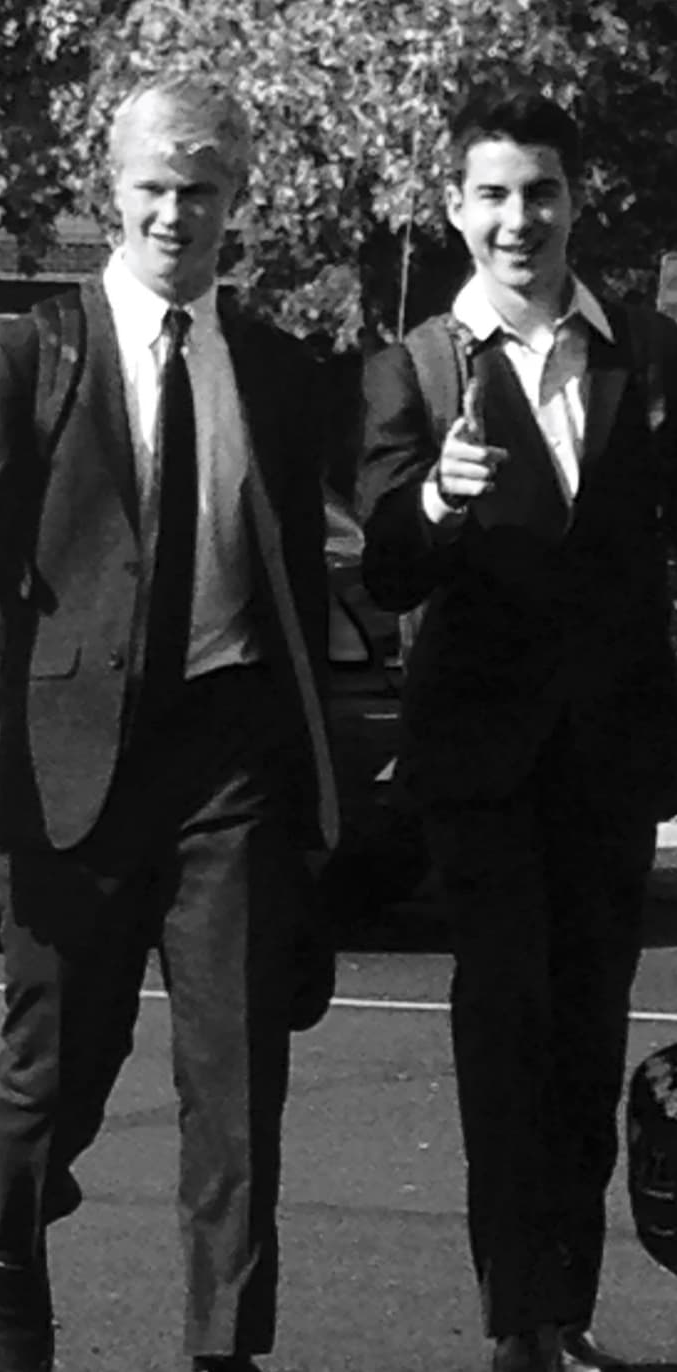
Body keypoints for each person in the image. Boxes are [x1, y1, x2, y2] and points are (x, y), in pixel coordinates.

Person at [0, 73, 339, 1372]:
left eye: (200, 189)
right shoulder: (29, 356)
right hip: (70, 763)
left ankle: (221, 1351)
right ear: (113, 192)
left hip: (226, 767)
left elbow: (307, 579)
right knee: (53, 1076)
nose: (173, 211)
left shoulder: (275, 370)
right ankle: (6, 1251)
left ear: (234, 204)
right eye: (152, 185)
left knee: (236, 1085)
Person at [356, 87, 677, 1372]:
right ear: (454, 210)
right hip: (480, 765)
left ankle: (565, 1307)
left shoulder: (643, 353)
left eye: (537, 191)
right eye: (490, 194)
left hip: (608, 759)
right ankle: (515, 1322)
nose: (517, 218)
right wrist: (438, 495)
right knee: (503, 1030)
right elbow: (381, 568)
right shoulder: (416, 367)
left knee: (588, 1032)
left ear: (570, 201)